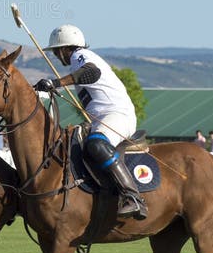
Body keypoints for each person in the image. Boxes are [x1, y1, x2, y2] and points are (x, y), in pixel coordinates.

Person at [35, 24, 146, 220]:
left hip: (117, 114)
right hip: (103, 116)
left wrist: (56, 83)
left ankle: (132, 196)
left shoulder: (80, 56)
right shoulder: (76, 61)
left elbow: (92, 73)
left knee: (96, 143)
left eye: (56, 51)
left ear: (63, 49)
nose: (56, 56)